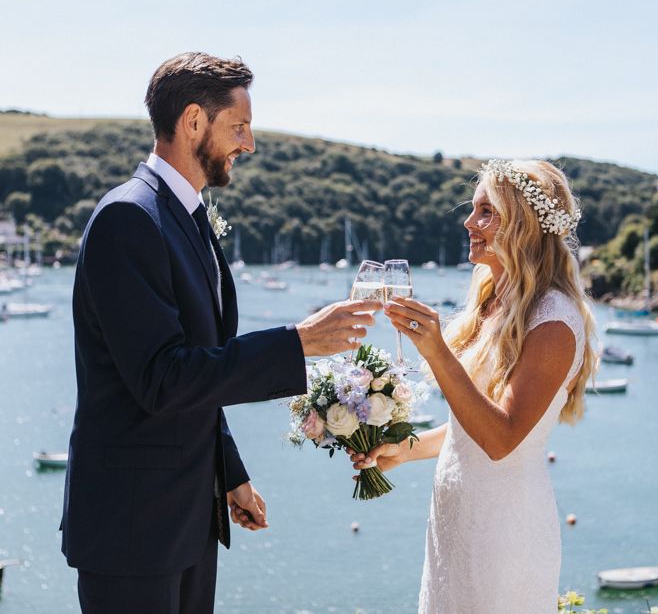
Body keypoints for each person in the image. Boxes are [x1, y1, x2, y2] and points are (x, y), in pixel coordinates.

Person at [60, 52, 380, 614]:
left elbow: (198, 369)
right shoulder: (127, 219)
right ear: (192, 122)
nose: (249, 144)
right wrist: (298, 343)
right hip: (132, 531)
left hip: (187, 519)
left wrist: (227, 473)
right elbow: (163, 377)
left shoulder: (185, 216)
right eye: (239, 127)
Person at [351, 159, 597, 613]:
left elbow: (501, 438)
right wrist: (404, 449)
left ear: (522, 225)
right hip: (457, 521)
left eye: (487, 211)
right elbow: (470, 424)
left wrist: (436, 350)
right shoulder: (493, 299)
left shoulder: (553, 321)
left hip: (504, 532)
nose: (469, 221)